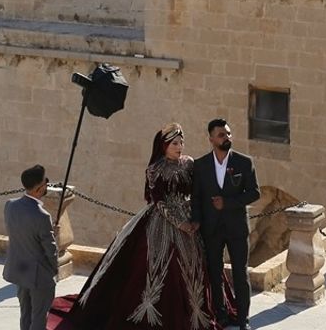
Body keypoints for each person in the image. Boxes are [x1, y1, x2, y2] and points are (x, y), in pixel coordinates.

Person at [49, 123, 234, 330]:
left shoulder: (189, 163)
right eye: (174, 143)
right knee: (156, 264)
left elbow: (198, 190)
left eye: (181, 142)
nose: (179, 146)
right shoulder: (155, 169)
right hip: (162, 221)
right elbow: (158, 201)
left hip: (190, 217)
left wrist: (196, 217)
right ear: (164, 145)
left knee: (200, 263)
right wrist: (180, 223)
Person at [191, 119, 260, 330]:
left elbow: (254, 193)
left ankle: (243, 320)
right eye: (221, 135)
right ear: (211, 139)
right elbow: (196, 197)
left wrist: (227, 203)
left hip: (237, 229)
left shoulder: (244, 162)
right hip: (211, 230)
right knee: (214, 273)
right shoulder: (200, 165)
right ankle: (220, 315)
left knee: (241, 273)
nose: (227, 137)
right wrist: (196, 221)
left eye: (228, 134)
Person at [4, 164, 60, 330]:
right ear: (38, 188)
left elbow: (23, 232)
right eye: (45, 182)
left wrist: (49, 230)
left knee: (25, 314)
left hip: (20, 271)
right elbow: (50, 250)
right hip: (39, 276)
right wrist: (54, 270)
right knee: (38, 318)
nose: (47, 185)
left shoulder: (10, 206)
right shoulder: (42, 216)